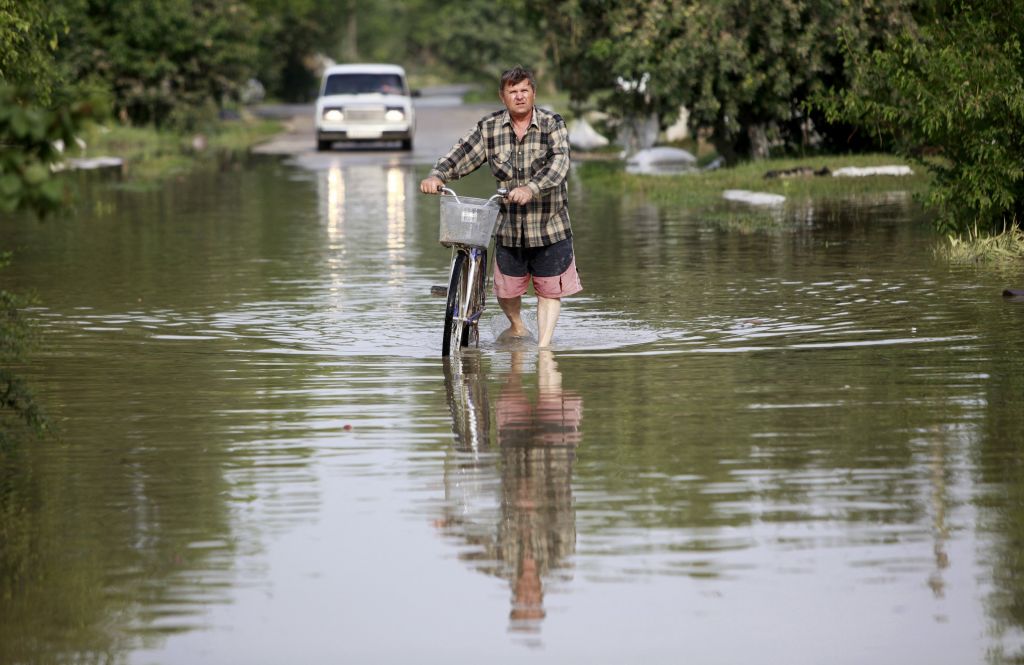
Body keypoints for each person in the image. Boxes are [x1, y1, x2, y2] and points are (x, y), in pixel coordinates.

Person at [420, 66, 582, 348]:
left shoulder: (552, 123)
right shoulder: (489, 128)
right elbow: (462, 154)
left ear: (533, 92)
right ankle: (517, 326)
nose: (519, 97)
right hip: (508, 228)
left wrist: (531, 188)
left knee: (548, 292)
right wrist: (438, 175)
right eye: (512, 92)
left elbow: (560, 165)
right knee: (506, 292)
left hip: (549, 226)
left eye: (524, 90)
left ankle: (543, 350)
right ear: (502, 96)